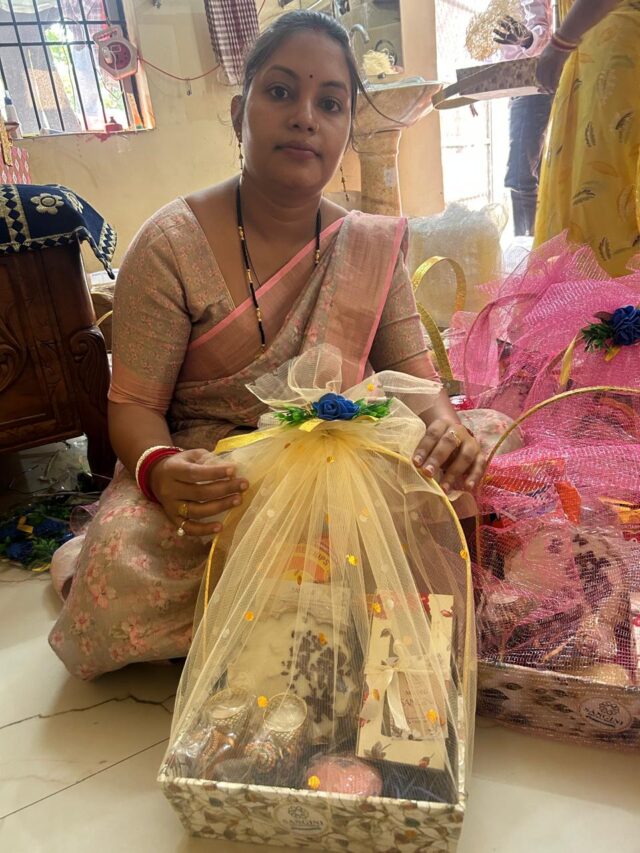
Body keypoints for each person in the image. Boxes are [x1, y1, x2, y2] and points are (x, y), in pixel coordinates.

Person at [48, 11, 484, 680]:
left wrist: (446, 430)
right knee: (125, 557)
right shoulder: (170, 245)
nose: (305, 117)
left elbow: (416, 380)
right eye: (280, 92)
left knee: (470, 475)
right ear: (238, 113)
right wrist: (162, 469)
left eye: (330, 103)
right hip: (219, 473)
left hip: (340, 456)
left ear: (347, 128)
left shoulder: (370, 243)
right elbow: (134, 405)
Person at [534, 0, 640, 276]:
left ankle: (611, 293)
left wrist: (560, 43)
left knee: (605, 191)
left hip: (616, 47)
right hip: (599, 49)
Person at [492, 2, 553, 236]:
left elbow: (542, 32)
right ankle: (532, 244)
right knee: (525, 173)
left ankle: (528, 246)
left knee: (521, 175)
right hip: (522, 87)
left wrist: (527, 39)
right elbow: (500, 50)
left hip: (533, 87)